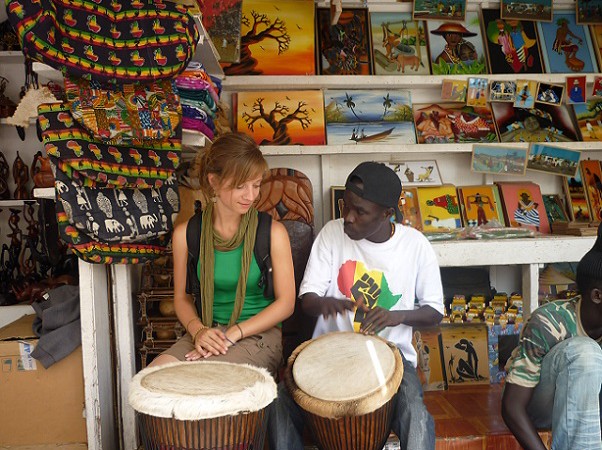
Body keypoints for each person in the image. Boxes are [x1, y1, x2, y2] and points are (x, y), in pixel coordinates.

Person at [268, 161, 444, 450]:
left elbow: (434, 313)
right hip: (328, 352)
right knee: (279, 406)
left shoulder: (415, 245)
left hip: (392, 359)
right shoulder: (331, 233)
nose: (348, 217)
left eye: (360, 211)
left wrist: (394, 316)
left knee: (416, 413)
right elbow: (308, 299)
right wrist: (327, 304)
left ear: (388, 213)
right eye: (344, 206)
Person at [149, 132, 295, 376]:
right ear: (214, 182)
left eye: (256, 185)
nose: (251, 196)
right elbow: (182, 300)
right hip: (208, 332)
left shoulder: (273, 233)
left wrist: (234, 333)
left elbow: (286, 304)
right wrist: (199, 332)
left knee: (209, 378)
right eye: (241, 186)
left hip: (258, 334)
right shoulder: (186, 235)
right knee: (153, 378)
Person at [502, 225, 602, 450]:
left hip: (589, 412)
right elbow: (512, 407)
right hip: (540, 408)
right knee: (586, 353)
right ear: (597, 296)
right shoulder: (549, 321)